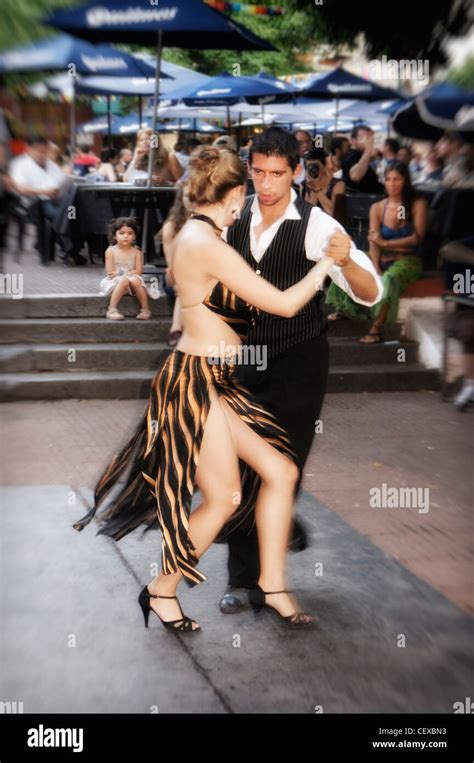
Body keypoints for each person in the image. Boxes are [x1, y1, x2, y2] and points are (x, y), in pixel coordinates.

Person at [72, 145, 367, 633]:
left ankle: (271, 585)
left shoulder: (201, 233)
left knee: (279, 469)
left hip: (214, 379)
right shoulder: (205, 243)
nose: (250, 198)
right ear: (234, 192)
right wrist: (326, 266)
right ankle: (162, 590)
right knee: (226, 497)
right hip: (196, 383)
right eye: (246, 189)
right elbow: (284, 305)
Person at [199, 128, 383, 614]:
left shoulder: (318, 226)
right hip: (242, 360)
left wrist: (347, 260)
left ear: (297, 172)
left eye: (277, 174)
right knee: (241, 468)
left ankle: (270, 554)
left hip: (299, 359)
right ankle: (243, 580)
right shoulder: (232, 215)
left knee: (284, 463)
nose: (266, 183)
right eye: (258, 171)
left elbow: (369, 292)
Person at [326, 161, 427, 343]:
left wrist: (386, 243)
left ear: (405, 181)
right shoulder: (378, 207)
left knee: (389, 280)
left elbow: (416, 238)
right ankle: (345, 309)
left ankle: (376, 329)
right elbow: (374, 240)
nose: (392, 184)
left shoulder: (415, 204)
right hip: (382, 257)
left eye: (396, 179)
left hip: (408, 259)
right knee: (349, 261)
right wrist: (375, 265)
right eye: (388, 179)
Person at [99, 216, 159, 321]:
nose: (126, 236)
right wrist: (123, 275)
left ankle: (145, 309)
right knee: (124, 279)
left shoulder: (137, 252)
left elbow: (139, 271)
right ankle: (112, 309)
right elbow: (110, 273)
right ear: (114, 236)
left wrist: (121, 273)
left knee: (135, 279)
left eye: (130, 233)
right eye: (121, 233)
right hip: (115, 282)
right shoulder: (110, 251)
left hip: (131, 282)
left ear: (134, 236)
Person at [160, 184, 193, 346]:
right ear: (181, 199)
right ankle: (177, 327)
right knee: (186, 281)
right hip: (174, 273)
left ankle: (177, 330)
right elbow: (171, 263)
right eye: (188, 196)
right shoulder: (171, 226)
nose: (192, 200)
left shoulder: (210, 222)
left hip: (200, 275)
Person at [302, 147, 346, 219]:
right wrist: (313, 188)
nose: (312, 170)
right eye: (309, 167)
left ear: (324, 166)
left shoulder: (338, 185)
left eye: (315, 166)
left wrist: (317, 189)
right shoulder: (309, 184)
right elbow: (308, 214)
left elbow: (334, 214)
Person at [342, 125, 383, 194]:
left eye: (371, 139)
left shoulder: (361, 155)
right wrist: (368, 151)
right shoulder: (351, 155)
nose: (370, 142)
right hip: (360, 201)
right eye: (366, 138)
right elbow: (355, 176)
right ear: (353, 141)